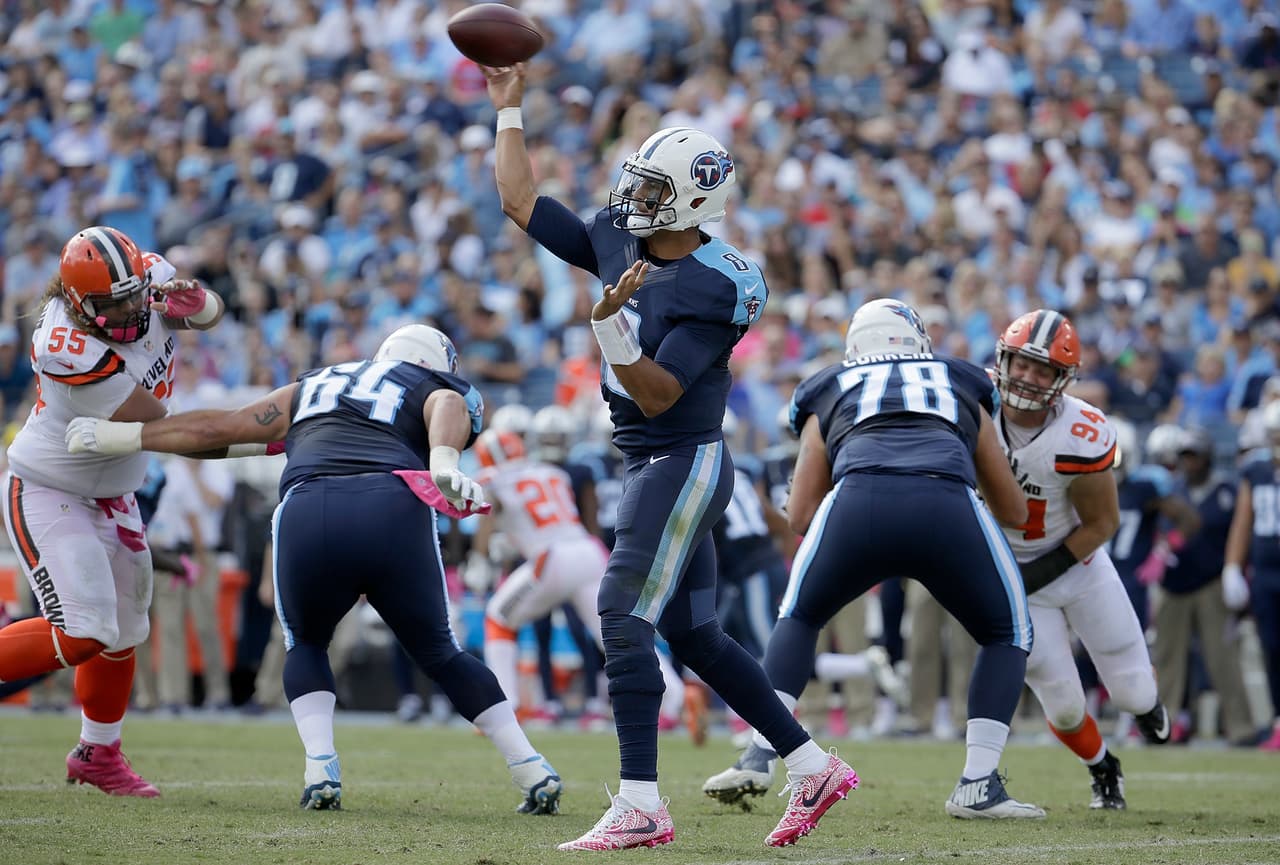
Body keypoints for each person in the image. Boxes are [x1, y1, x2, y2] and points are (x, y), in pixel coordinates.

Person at [485, 63, 855, 851]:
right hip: (649, 461)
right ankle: (813, 763)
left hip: (681, 458)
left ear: (693, 200)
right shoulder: (622, 234)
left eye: (652, 189)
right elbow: (520, 203)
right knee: (695, 636)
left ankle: (643, 802)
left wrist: (609, 327)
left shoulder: (716, 285)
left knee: (621, 612)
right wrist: (509, 112)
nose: (633, 199)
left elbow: (656, 394)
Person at [64, 324, 564, 813]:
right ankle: (530, 766)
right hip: (393, 504)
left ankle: (321, 768)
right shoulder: (425, 382)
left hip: (310, 510)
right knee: (441, 653)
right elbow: (447, 402)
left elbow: (216, 429)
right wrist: (445, 461)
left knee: (305, 643)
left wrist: (119, 436)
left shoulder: (313, 386)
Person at [703, 299, 1043, 820]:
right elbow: (1014, 509)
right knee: (1009, 631)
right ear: (919, 340)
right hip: (944, 500)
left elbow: (798, 517)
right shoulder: (963, 378)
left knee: (800, 616)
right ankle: (978, 782)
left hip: (857, 500)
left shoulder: (830, 382)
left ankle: (759, 752)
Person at [0, 225, 225, 796]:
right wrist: (243, 432)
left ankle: (98, 754)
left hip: (115, 490)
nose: (129, 310)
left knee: (125, 630)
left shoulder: (146, 274)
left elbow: (211, 312)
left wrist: (197, 303)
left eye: (133, 296)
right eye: (112, 304)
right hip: (51, 487)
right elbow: (157, 421)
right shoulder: (64, 345)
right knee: (82, 633)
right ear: (76, 302)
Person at [992, 309, 1171, 811]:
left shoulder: (1082, 431)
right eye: (1021, 363)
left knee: (1133, 693)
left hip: (1078, 567)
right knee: (1065, 707)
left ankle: (1148, 705)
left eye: (1042, 369)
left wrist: (1035, 574)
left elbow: (1102, 524)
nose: (1027, 376)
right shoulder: (973, 411)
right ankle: (1103, 768)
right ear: (1002, 359)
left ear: (1062, 379)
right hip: (1018, 579)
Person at [1223, 401, 1280, 751]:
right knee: (1272, 649)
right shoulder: (1256, 469)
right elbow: (1243, 520)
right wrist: (1232, 565)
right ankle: (1277, 719)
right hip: (1266, 574)